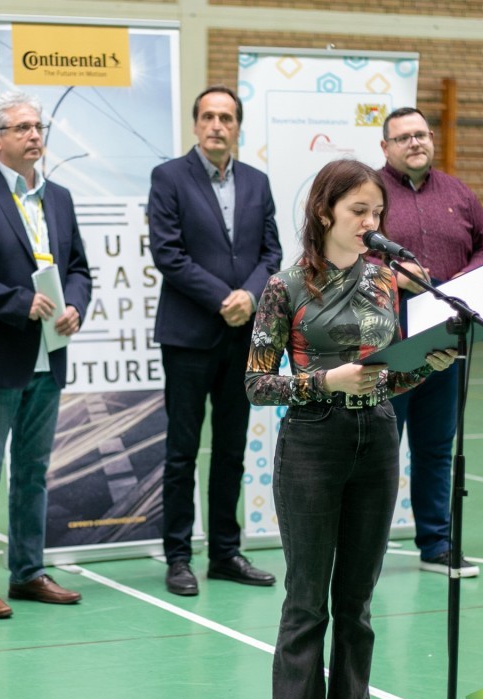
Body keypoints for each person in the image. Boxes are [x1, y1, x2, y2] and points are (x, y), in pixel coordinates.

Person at [245, 159, 456, 699]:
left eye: (377, 212)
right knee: (308, 601)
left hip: (378, 437)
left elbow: (389, 375)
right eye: (359, 210)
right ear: (324, 212)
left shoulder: (386, 279)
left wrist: (430, 362)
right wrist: (323, 381)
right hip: (313, 441)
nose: (371, 222)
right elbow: (257, 383)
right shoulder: (284, 286)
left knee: (357, 603)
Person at [0, 91, 92, 619]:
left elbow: (79, 268)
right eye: (22, 127)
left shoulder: (60, 198)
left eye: (38, 127)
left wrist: (74, 306)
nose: (34, 135)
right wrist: (18, 303)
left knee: (33, 471)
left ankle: (28, 572)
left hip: (49, 356)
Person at [147, 85, 282, 597]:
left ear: (237, 126)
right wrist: (224, 298)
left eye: (226, 117)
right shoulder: (169, 178)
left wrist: (250, 296)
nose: (217, 125)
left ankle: (225, 552)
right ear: (196, 124)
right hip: (188, 336)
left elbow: (271, 253)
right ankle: (178, 557)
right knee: (181, 451)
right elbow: (168, 253)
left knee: (231, 450)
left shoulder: (257, 182)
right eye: (208, 116)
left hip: (243, 335)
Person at [379, 106, 483, 578]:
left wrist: (461, 283)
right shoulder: (368, 192)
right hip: (387, 338)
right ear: (385, 147)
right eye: (403, 137)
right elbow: (345, 252)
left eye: (421, 134)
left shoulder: (459, 194)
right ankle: (365, 548)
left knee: (435, 446)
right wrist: (392, 276)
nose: (415, 143)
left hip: (445, 336)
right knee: (380, 448)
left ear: (432, 139)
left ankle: (437, 544)